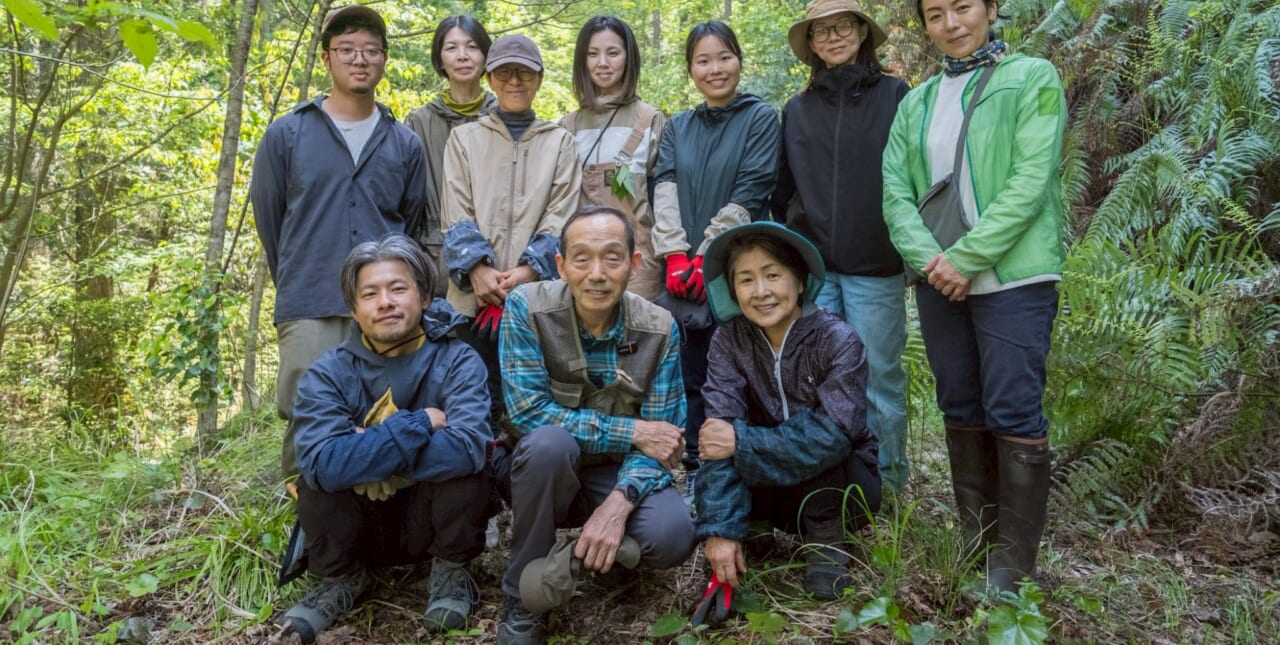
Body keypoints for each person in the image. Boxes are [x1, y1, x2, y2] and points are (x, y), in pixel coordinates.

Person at [882, 0, 1067, 592]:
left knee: (1012, 405)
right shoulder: (916, 103)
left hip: (1014, 277)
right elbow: (895, 195)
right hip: (941, 282)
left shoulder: (1031, 77)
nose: (951, 23)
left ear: (989, 6)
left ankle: (1011, 568)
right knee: (958, 402)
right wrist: (935, 263)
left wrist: (967, 258)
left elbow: (1030, 181)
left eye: (962, 7)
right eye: (935, 15)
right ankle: (976, 541)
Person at [494, 206, 695, 645]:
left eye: (612, 258)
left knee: (673, 534)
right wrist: (633, 431)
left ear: (634, 264)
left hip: (613, 472)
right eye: (582, 259)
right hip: (544, 472)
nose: (597, 274)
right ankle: (523, 598)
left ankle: (594, 554)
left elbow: (662, 437)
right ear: (561, 265)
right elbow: (528, 413)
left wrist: (619, 504)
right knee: (548, 444)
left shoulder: (658, 328)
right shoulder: (527, 307)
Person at [280, 235, 492, 643]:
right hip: (357, 524)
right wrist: (418, 426)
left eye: (398, 288)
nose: (385, 302)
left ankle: (451, 572)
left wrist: (366, 452)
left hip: (430, 520)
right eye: (370, 294)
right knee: (316, 479)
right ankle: (340, 578)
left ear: (424, 297)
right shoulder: (328, 374)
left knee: (470, 471)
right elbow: (323, 463)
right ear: (354, 309)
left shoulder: (457, 359)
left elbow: (468, 447)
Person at [251, 4, 428, 476]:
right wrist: (299, 273)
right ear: (327, 58)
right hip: (310, 297)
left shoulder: (404, 143)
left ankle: (378, 512)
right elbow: (271, 220)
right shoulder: (287, 134)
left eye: (370, 50)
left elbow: (409, 226)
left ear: (385, 58)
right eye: (346, 49)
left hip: (384, 302)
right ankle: (305, 505)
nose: (359, 59)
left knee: (383, 407)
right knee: (307, 407)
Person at [694, 222, 881, 599]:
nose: (760, 291)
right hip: (768, 490)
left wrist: (741, 441)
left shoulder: (837, 339)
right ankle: (754, 528)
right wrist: (720, 529)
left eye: (772, 275)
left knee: (822, 439)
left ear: (799, 280)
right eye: (746, 280)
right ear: (732, 289)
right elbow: (717, 437)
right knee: (724, 436)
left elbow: (834, 434)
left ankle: (826, 542)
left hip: (842, 489)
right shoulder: (729, 341)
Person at [773, 0, 911, 492]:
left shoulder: (895, 95)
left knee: (878, 378)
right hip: (816, 269)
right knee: (818, 380)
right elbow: (782, 187)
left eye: (843, 26)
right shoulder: (797, 109)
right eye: (822, 30)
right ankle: (829, 486)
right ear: (810, 43)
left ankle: (886, 487)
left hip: (876, 264)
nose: (833, 37)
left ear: (862, 32)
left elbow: (912, 175)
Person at [651, 21, 780, 477]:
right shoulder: (678, 126)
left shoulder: (759, 117)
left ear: (739, 60)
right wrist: (676, 255)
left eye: (725, 57)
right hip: (682, 273)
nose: (716, 69)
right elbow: (664, 183)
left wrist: (710, 256)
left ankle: (738, 467)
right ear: (691, 69)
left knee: (737, 371)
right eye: (703, 60)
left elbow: (752, 187)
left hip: (737, 266)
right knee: (690, 372)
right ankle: (693, 467)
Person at [441, 33, 582, 422]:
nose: (515, 81)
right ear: (489, 78)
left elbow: (562, 215)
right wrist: (478, 269)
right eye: (505, 73)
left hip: (537, 301)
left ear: (539, 79)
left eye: (525, 73)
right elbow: (456, 211)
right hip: (470, 301)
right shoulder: (464, 139)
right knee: (471, 404)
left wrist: (527, 272)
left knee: (531, 406)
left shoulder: (560, 142)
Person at [560, 16, 666, 300]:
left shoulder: (650, 120)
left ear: (629, 58)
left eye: (613, 53)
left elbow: (664, 200)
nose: (603, 63)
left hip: (638, 262)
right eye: (593, 54)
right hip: (582, 264)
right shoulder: (567, 127)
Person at [405, 15, 498, 297]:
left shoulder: (504, 115)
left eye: (472, 47)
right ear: (440, 58)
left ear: (485, 55)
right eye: (451, 48)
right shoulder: (419, 122)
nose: (462, 56)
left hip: (499, 257)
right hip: (436, 262)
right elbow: (410, 202)